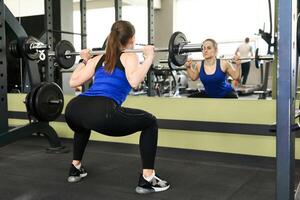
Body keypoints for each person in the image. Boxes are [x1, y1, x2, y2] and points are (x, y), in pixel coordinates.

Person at [64, 20, 170, 194]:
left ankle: (75, 168)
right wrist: (149, 57)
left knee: (83, 126)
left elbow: (73, 81)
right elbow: (135, 82)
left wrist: (83, 61)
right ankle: (148, 178)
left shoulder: (98, 58)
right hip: (102, 111)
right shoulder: (129, 56)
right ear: (132, 38)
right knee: (150, 122)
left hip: (74, 109)